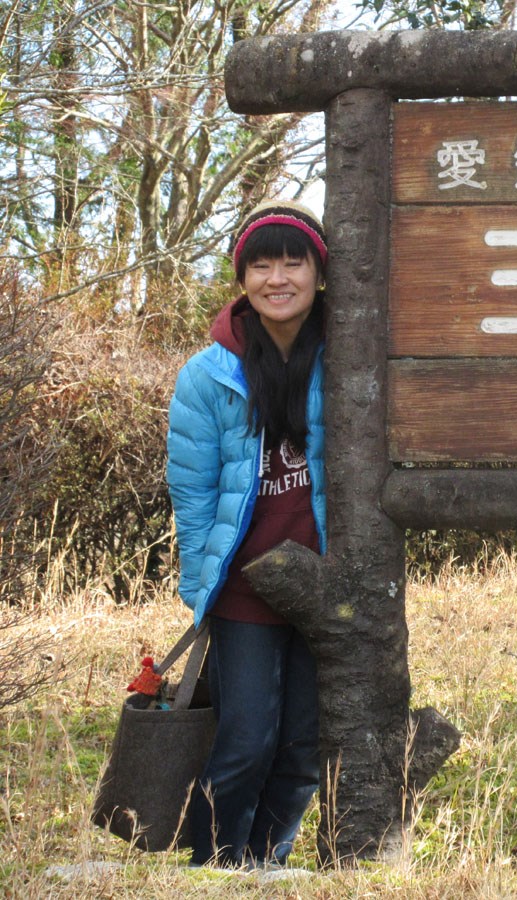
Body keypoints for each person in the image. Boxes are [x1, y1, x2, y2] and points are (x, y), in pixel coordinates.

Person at [166, 200, 328, 868]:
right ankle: (215, 866)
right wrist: (200, 582)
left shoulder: (353, 360)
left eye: (295, 260)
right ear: (242, 278)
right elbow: (193, 493)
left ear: (321, 273)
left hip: (328, 585)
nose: (278, 277)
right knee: (246, 741)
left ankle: (266, 865)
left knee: (302, 748)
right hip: (246, 587)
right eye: (262, 264)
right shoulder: (208, 375)